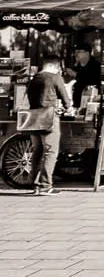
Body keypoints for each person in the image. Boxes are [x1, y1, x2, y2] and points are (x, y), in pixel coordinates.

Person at [25, 44, 73, 195]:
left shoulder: (34, 79)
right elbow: (66, 100)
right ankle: (46, 185)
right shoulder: (55, 77)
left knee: (37, 151)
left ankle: (34, 184)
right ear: (55, 66)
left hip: (32, 118)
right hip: (48, 117)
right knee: (51, 152)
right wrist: (68, 107)